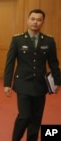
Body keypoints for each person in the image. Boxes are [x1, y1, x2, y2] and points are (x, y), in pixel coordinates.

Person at [4, 9, 61, 141]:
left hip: (40, 86)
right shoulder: (17, 40)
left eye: (39, 20)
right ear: (28, 20)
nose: (35, 22)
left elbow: (54, 63)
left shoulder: (48, 41)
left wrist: (57, 81)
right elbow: (10, 63)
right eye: (33, 19)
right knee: (25, 116)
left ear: (42, 22)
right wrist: (7, 84)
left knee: (36, 118)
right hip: (23, 83)